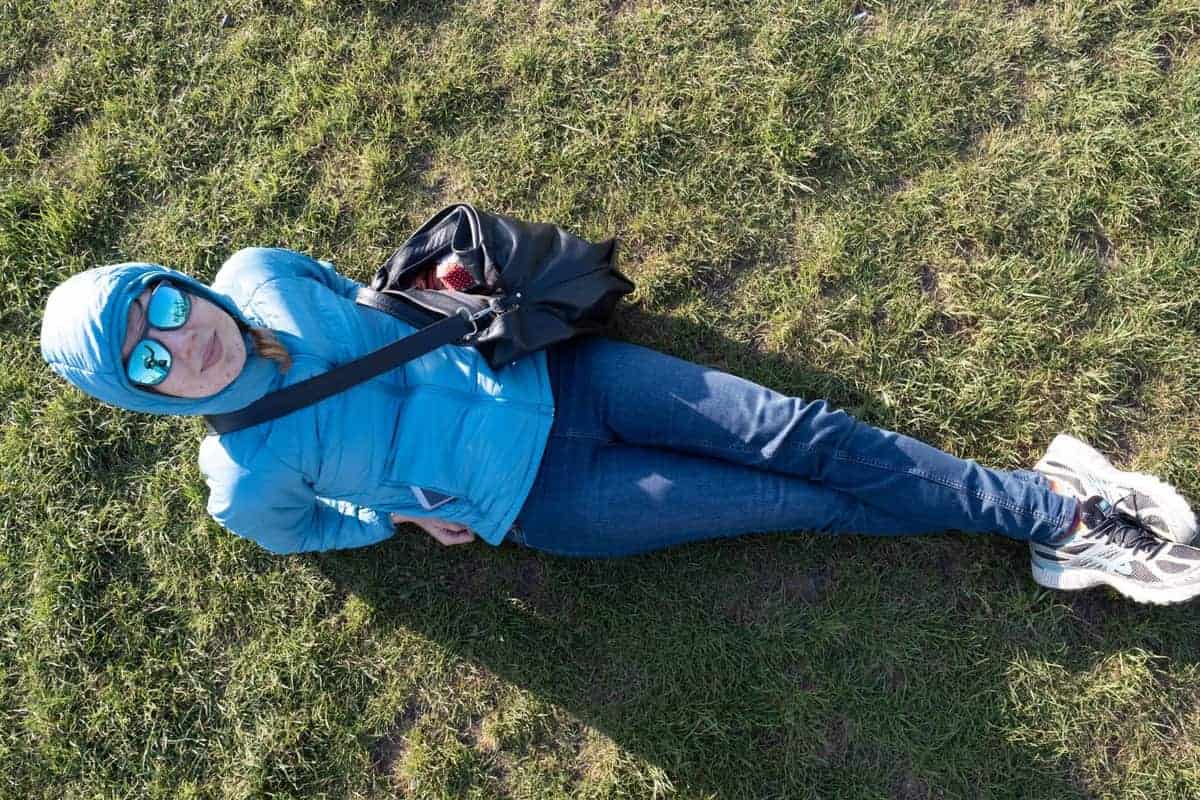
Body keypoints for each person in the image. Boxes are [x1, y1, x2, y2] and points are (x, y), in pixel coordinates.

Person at [39, 246, 1200, 605]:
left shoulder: (262, 275)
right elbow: (308, 535)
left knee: (799, 428)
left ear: (177, 282)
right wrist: (390, 518)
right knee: (796, 501)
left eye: (163, 303)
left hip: (568, 381)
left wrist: (426, 290)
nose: (182, 338)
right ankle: (1049, 520)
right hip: (549, 505)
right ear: (143, 394)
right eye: (147, 358)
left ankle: (1059, 510)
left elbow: (345, 281)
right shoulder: (241, 479)